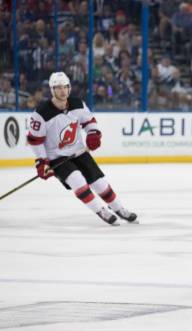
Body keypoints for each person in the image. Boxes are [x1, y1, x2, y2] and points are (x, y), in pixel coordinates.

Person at [27, 72, 137, 225]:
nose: (63, 91)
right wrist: (42, 161)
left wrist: (93, 134)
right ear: (52, 90)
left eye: (65, 87)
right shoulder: (40, 113)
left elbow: (89, 121)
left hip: (78, 151)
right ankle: (101, 210)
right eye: (58, 87)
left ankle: (119, 208)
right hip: (57, 158)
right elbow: (35, 140)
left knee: (99, 182)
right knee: (77, 180)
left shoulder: (77, 103)